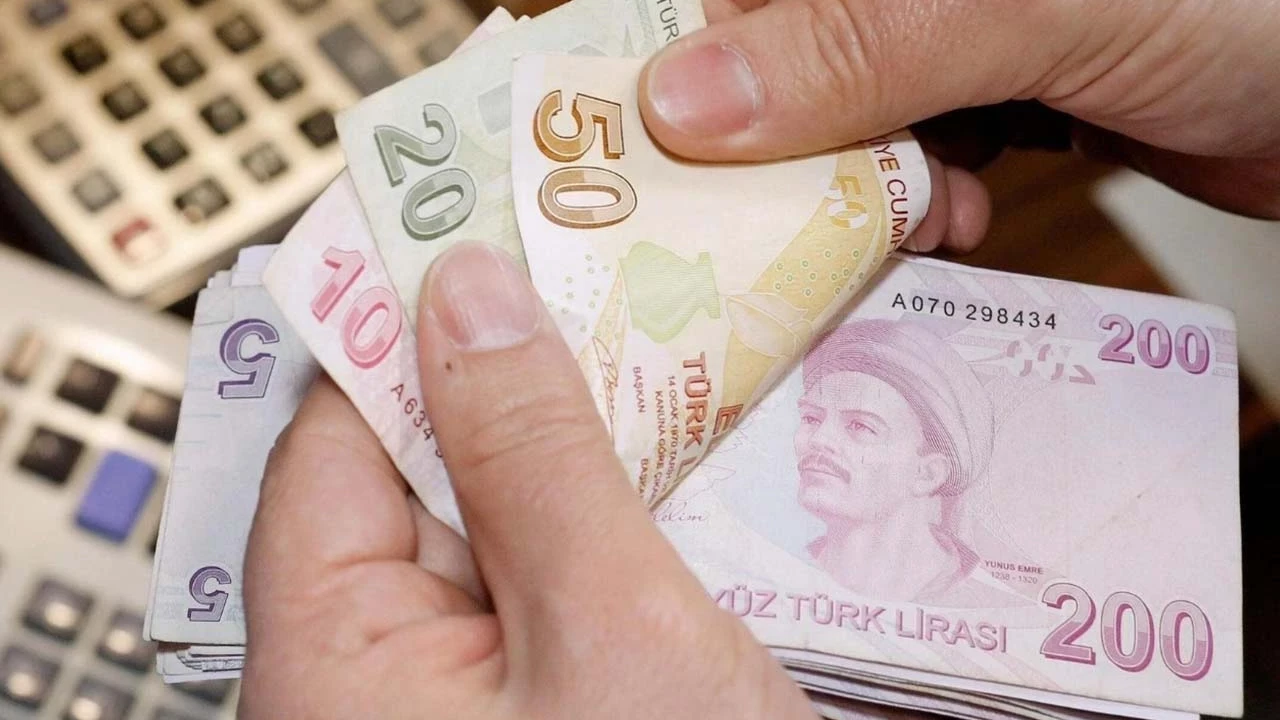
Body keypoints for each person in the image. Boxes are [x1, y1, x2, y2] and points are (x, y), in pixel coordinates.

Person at [237, 0, 1280, 716]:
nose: (817, 439)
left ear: (936, 467)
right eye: (818, 413)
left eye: (859, 423)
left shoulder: (1006, 614)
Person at [793, 319, 992, 605]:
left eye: (860, 426)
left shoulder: (983, 600)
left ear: (927, 474)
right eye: (811, 418)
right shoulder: (779, 565)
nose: (819, 439)